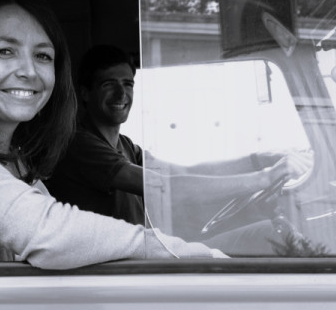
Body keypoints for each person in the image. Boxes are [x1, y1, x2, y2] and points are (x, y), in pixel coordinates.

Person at [0, 0, 228, 269]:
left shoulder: (17, 158)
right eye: (5, 51)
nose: (29, 71)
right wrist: (184, 253)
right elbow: (47, 232)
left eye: (43, 56)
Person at [46, 44, 300, 254]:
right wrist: (262, 178)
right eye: (108, 85)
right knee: (272, 235)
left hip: (140, 254)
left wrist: (255, 161)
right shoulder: (79, 144)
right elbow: (164, 187)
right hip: (118, 268)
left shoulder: (125, 147)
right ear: (86, 93)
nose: (121, 94)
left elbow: (181, 171)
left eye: (128, 84)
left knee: (272, 230)